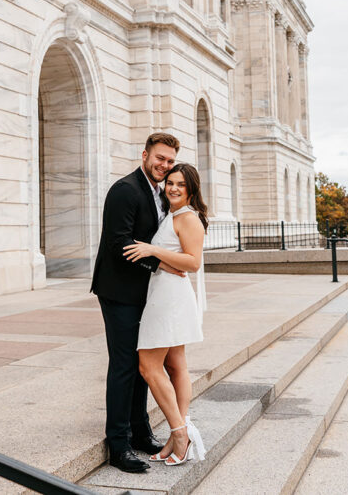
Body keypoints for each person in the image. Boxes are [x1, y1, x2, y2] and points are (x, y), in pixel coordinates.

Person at [90, 132, 180, 473]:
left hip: (145, 293)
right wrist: (161, 265)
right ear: (145, 155)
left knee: (146, 364)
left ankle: (141, 432)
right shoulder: (125, 190)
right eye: (160, 158)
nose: (164, 165)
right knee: (125, 365)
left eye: (170, 161)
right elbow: (119, 244)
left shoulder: (159, 191)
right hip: (119, 292)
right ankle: (119, 444)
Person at [122, 163, 208, 466]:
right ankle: (177, 435)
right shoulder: (174, 215)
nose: (173, 188)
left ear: (191, 189)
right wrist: (163, 260)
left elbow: (193, 263)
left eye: (180, 185)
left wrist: (152, 251)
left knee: (148, 365)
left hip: (169, 299)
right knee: (175, 364)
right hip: (166, 292)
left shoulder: (188, 218)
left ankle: (179, 432)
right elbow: (178, 261)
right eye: (170, 182)